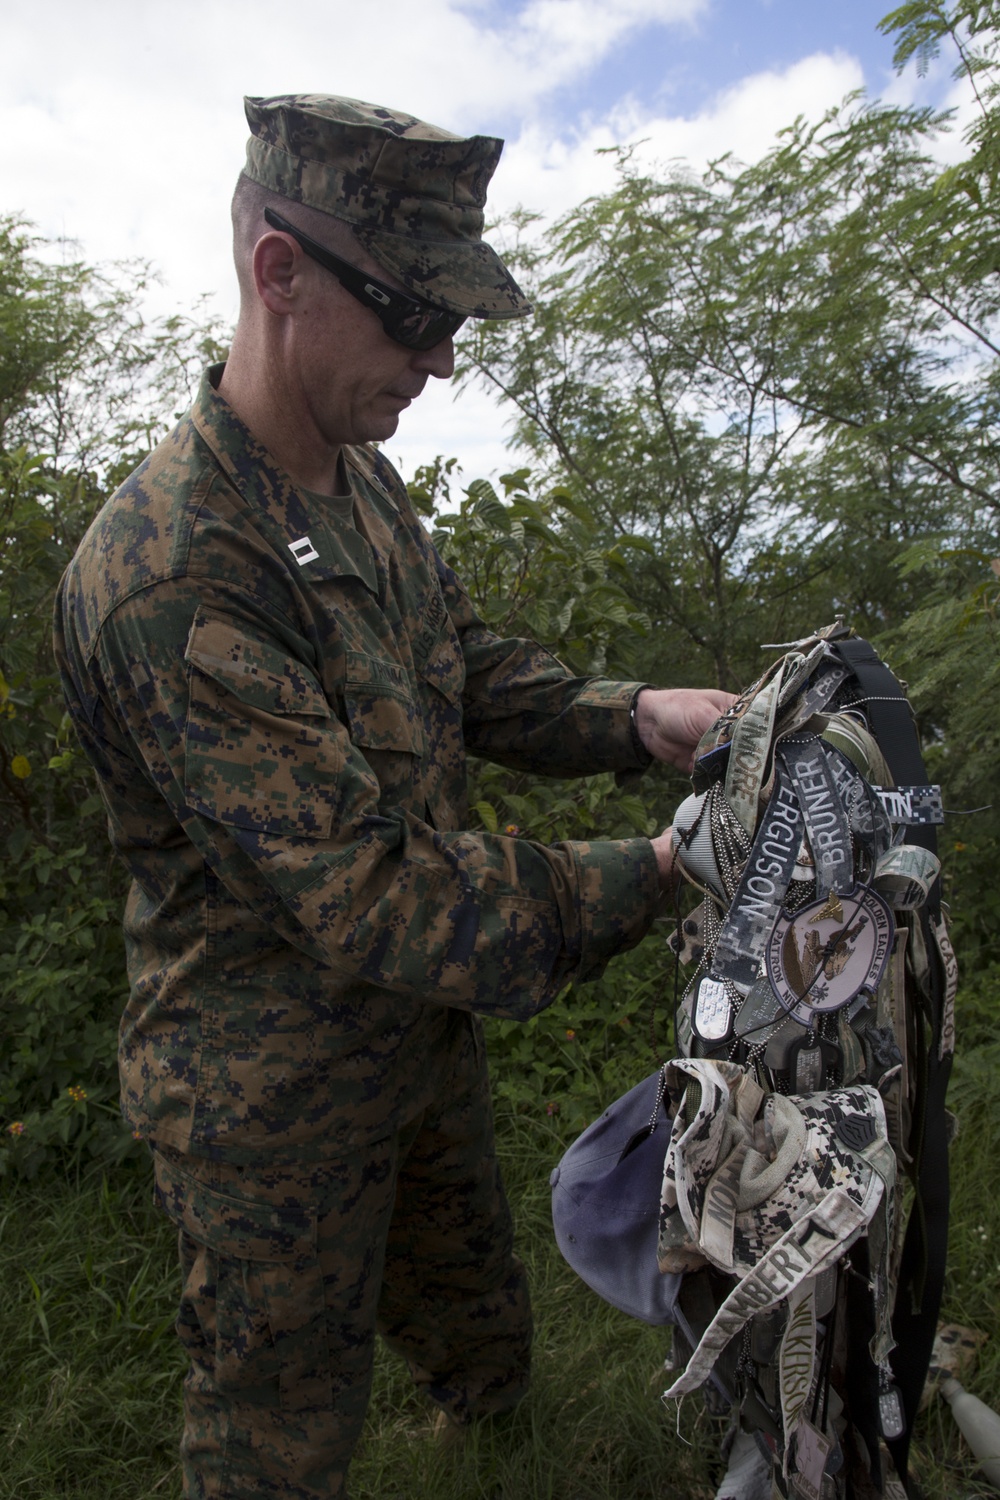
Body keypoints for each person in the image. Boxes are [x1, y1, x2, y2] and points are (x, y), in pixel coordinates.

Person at [54, 94, 732, 1500]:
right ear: (279, 270)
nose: (439, 358)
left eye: (458, 323)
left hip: (414, 1043)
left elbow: (461, 671)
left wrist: (632, 718)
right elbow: (371, 892)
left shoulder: (358, 485)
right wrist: (662, 871)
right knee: (276, 1425)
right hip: (269, 1098)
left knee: (478, 1331)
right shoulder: (175, 574)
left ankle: (497, 1451)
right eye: (414, 313)